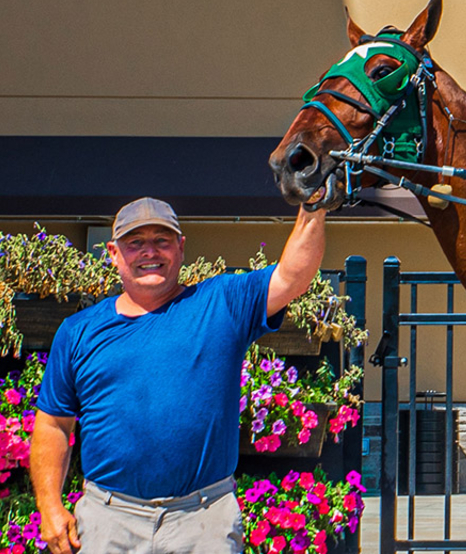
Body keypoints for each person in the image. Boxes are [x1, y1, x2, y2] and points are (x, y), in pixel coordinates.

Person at [30, 197, 325, 553]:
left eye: (162, 241)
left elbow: (292, 276)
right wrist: (49, 505)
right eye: (135, 243)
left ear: (181, 248)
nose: (149, 252)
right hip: (108, 521)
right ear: (113, 252)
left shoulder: (222, 303)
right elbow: (53, 425)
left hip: (203, 520)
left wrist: (314, 203)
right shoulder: (78, 331)